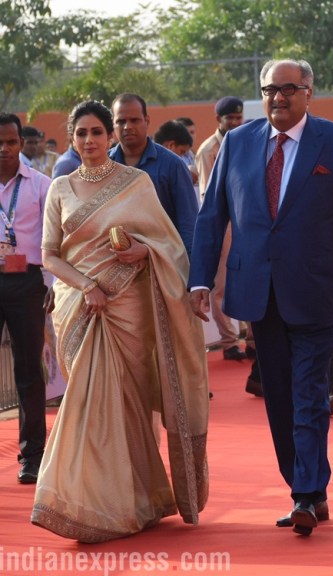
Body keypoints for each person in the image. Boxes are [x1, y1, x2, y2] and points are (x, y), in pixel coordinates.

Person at [189, 59, 333, 536]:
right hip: (257, 293)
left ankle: (305, 494)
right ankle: (306, 486)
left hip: (318, 290)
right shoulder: (237, 143)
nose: (278, 97)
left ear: (309, 92)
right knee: (279, 397)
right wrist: (200, 279)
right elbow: (212, 216)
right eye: (270, 89)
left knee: (310, 393)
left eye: (288, 88)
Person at [32, 101, 209, 543]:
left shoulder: (136, 182)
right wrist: (86, 286)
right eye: (81, 133)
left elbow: (170, 244)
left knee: (127, 403)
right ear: (72, 138)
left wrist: (144, 251)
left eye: (97, 132)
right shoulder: (60, 187)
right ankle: (86, 503)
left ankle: (135, 502)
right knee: (87, 402)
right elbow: (49, 255)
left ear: (109, 137)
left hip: (128, 306)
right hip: (80, 307)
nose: (89, 140)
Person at [0, 112, 50, 484]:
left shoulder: (41, 185)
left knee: (29, 371)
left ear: (20, 143)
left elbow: (53, 239)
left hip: (28, 283)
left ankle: (33, 456)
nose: (3, 149)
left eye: (10, 142)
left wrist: (50, 283)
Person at [195, 96, 250, 364]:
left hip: (247, 222)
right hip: (225, 223)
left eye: (239, 117)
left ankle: (253, 339)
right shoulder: (208, 150)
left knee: (251, 277)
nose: (236, 122)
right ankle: (229, 342)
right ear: (219, 119)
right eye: (231, 118)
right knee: (221, 286)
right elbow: (209, 197)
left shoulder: (245, 141)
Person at [109, 93, 199, 255]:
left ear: (147, 120)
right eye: (121, 121)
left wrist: (189, 267)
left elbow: (188, 224)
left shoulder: (172, 165)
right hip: (114, 261)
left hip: (163, 261)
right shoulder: (105, 165)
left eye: (134, 120)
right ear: (113, 124)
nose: (127, 127)